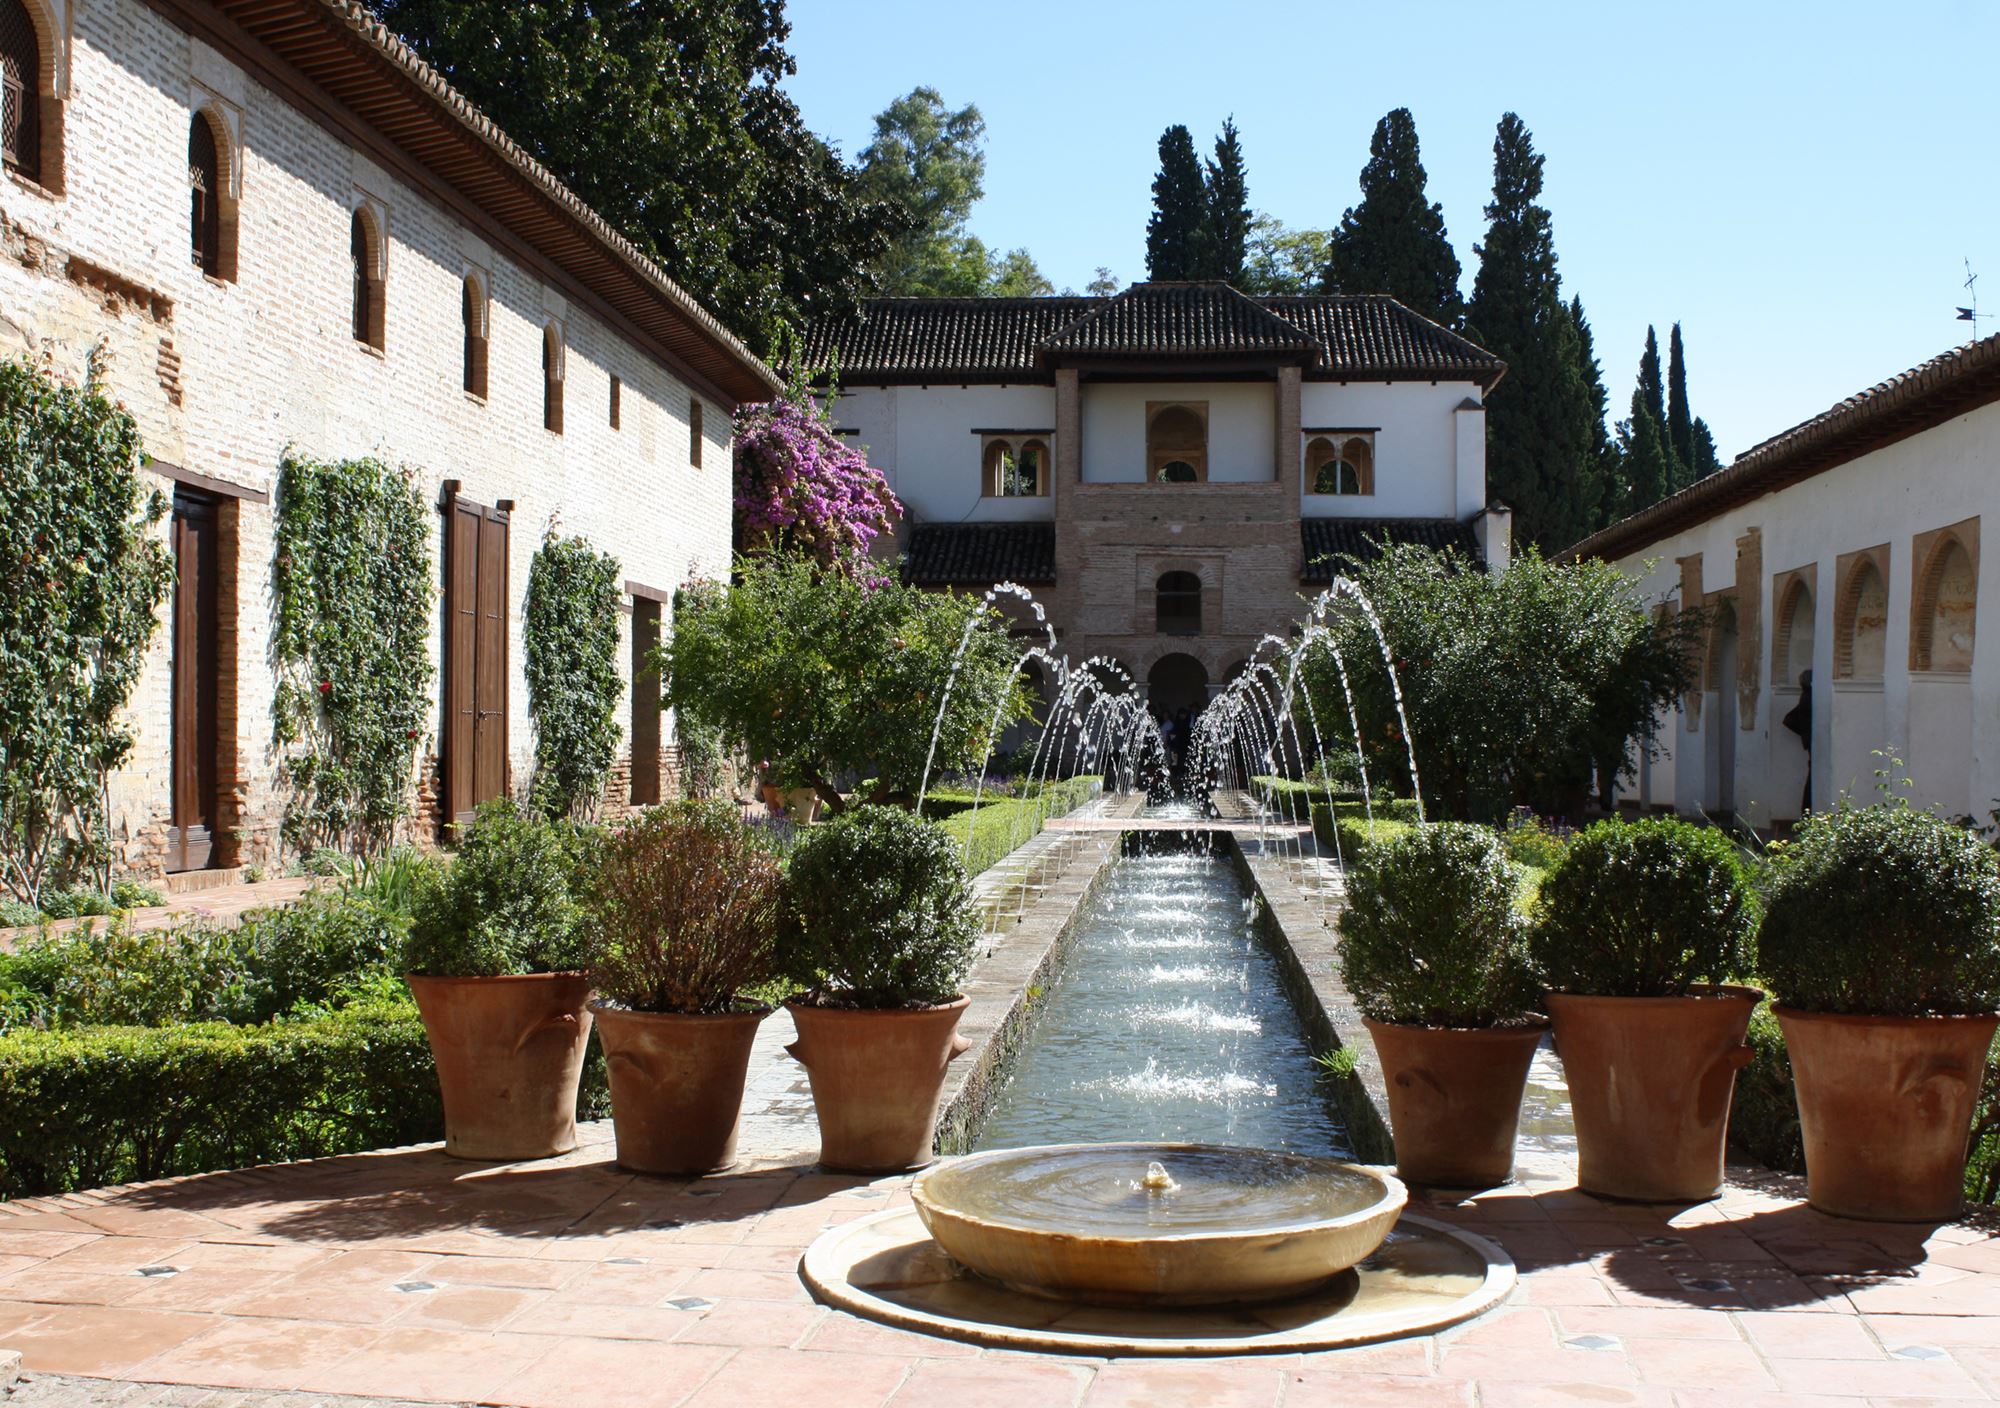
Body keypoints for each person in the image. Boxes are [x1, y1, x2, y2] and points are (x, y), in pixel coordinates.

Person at [1781, 669, 1812, 815]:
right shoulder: (1810, 697)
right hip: (1813, 742)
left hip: (1810, 741)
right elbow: (1789, 720)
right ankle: (1807, 813)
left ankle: (1807, 814)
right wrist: (1808, 734)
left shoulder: (1806, 696)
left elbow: (1790, 719)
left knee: (1813, 776)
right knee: (1813, 778)